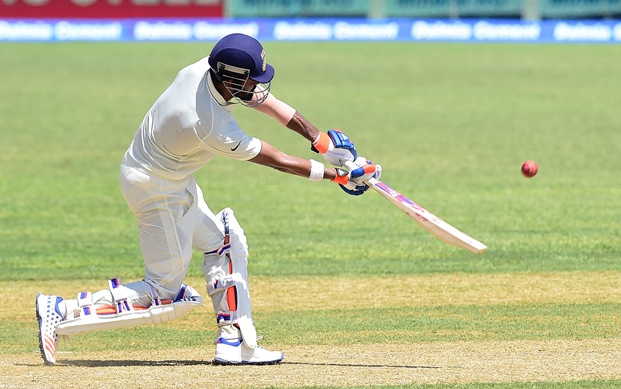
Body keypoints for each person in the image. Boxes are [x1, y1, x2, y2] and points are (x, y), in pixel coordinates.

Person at [35, 33, 381, 366]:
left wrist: (321, 141)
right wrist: (338, 175)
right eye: (251, 80)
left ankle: (235, 342)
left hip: (169, 177)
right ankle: (61, 310)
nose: (258, 85)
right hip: (154, 189)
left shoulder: (208, 68)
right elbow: (274, 159)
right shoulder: (207, 123)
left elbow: (266, 103)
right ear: (230, 78)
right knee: (164, 294)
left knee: (224, 243)